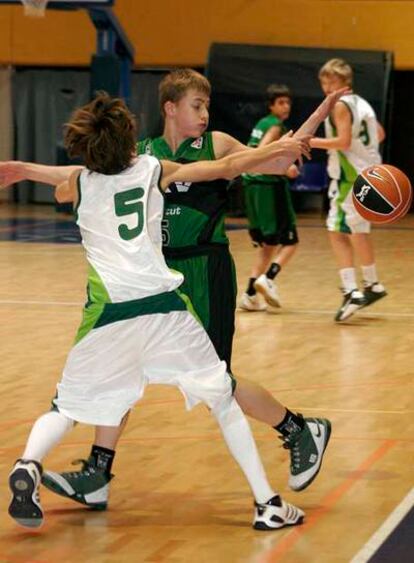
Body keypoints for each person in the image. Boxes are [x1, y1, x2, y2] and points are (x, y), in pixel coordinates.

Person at [0, 70, 346, 515]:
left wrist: (303, 131)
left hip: (205, 268)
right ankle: (98, 473)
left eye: (206, 105)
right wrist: (25, 169)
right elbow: (87, 173)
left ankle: (298, 428)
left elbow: (276, 164)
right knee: (121, 377)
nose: (204, 114)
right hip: (161, 271)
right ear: (170, 107)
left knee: (218, 379)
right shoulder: (144, 155)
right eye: (196, 105)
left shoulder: (217, 143)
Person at [310, 58, 387, 322]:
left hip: (351, 178)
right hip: (370, 175)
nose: (328, 85)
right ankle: (373, 284)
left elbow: (342, 142)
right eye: (325, 81)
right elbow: (380, 134)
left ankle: (352, 290)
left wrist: (310, 140)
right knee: (358, 231)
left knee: (336, 230)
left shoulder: (340, 105)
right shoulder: (362, 103)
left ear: (344, 82)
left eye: (332, 81)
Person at [240, 84, 299, 312]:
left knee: (266, 245)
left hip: (251, 187)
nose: (286, 106)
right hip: (268, 187)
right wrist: (286, 169)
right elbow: (260, 154)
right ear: (271, 105)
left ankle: (250, 294)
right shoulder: (274, 126)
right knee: (290, 241)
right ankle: (268, 278)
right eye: (281, 102)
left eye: (288, 102)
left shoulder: (261, 124)